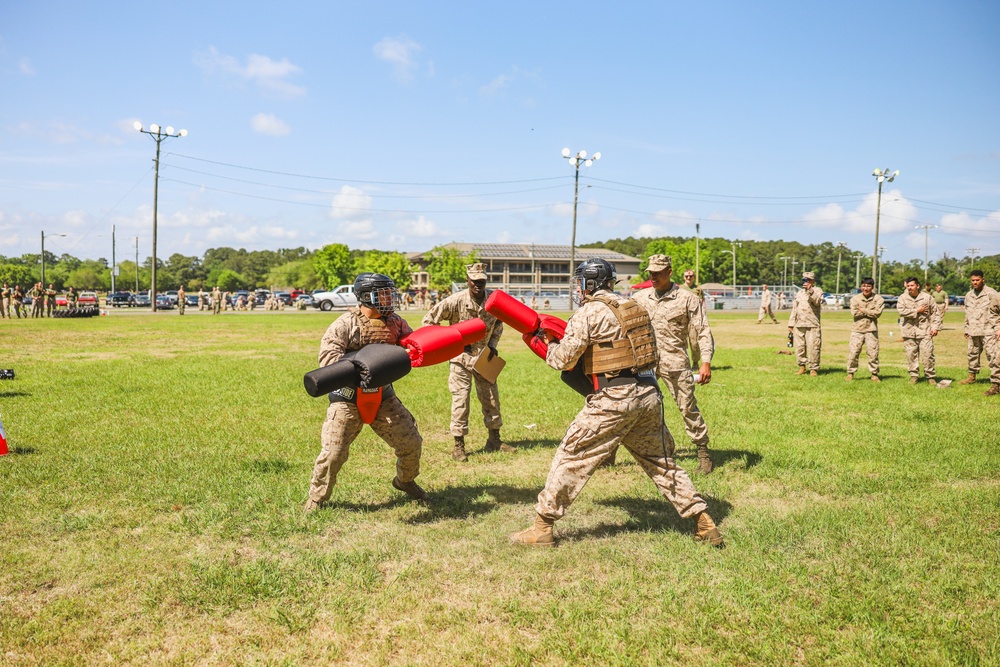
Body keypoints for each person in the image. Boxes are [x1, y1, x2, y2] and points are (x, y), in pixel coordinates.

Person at [509, 258, 723, 548]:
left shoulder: (590, 312)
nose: (578, 288)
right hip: (648, 394)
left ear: (590, 283)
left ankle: (542, 528)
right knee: (662, 463)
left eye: (580, 282)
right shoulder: (637, 307)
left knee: (571, 455)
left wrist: (544, 343)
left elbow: (562, 360)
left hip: (614, 398)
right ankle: (704, 522)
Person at [305, 273, 427, 510]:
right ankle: (316, 498)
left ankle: (405, 481)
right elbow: (327, 358)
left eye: (390, 293)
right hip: (347, 398)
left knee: (411, 442)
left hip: (383, 396)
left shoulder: (396, 323)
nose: (389, 298)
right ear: (365, 297)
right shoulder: (345, 324)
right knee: (333, 453)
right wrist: (358, 365)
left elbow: (411, 346)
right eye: (383, 294)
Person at [634, 254, 717, 473]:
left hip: (675, 362)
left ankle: (703, 452)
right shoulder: (640, 298)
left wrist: (705, 362)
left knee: (687, 406)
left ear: (669, 272)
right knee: (632, 404)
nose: (653, 277)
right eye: (651, 273)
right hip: (645, 362)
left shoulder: (687, 299)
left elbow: (703, 331)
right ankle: (616, 450)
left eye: (658, 273)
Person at [422, 262, 513, 461]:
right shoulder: (454, 301)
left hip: (484, 357)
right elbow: (429, 321)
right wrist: (448, 341)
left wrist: (494, 345)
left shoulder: (492, 302)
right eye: (474, 281)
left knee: (491, 399)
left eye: (482, 281)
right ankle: (458, 446)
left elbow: (498, 325)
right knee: (460, 401)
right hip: (460, 359)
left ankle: (494, 440)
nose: (478, 285)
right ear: (467, 281)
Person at [958, 270, 1000, 395]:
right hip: (973, 330)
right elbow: (967, 313)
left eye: (977, 280)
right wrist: (966, 328)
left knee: (993, 357)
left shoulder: (992, 294)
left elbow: (996, 312)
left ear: (983, 279)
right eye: (973, 280)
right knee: (972, 354)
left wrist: (997, 328)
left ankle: (996, 384)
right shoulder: (968, 295)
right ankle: (972, 376)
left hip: (989, 330)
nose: (975, 282)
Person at [897, 276, 941, 385]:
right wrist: (917, 310)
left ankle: (930, 376)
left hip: (925, 330)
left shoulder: (927, 298)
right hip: (908, 331)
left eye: (912, 285)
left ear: (917, 286)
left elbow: (935, 313)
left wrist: (935, 327)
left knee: (928, 354)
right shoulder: (902, 298)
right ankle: (914, 376)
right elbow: (901, 311)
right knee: (911, 355)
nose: (910, 288)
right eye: (908, 286)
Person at [846, 277, 885, 382]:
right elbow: (854, 313)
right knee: (854, 352)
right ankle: (850, 373)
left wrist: (863, 310)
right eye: (863, 286)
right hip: (857, 330)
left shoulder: (878, 299)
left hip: (871, 330)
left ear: (872, 287)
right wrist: (869, 311)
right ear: (860, 287)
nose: (865, 288)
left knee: (873, 353)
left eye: (868, 286)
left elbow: (877, 313)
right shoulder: (855, 299)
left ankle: (874, 374)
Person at [788, 272, 824, 376]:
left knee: (813, 347)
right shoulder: (799, 293)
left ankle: (813, 368)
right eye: (804, 280)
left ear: (813, 281)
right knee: (799, 347)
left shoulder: (817, 291)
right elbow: (794, 309)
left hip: (812, 324)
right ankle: (802, 367)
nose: (805, 282)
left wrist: (810, 291)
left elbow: (817, 302)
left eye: (808, 280)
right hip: (800, 324)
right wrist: (791, 323)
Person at [679, 270, 707, 368]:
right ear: (684, 277)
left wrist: (703, 315)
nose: (688, 278)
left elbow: (703, 302)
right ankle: (683, 363)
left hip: (693, 320)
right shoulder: (679, 289)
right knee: (681, 343)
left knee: (694, 343)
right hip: (681, 319)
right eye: (686, 276)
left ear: (694, 277)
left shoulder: (698, 289)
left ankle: (695, 362)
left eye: (691, 276)